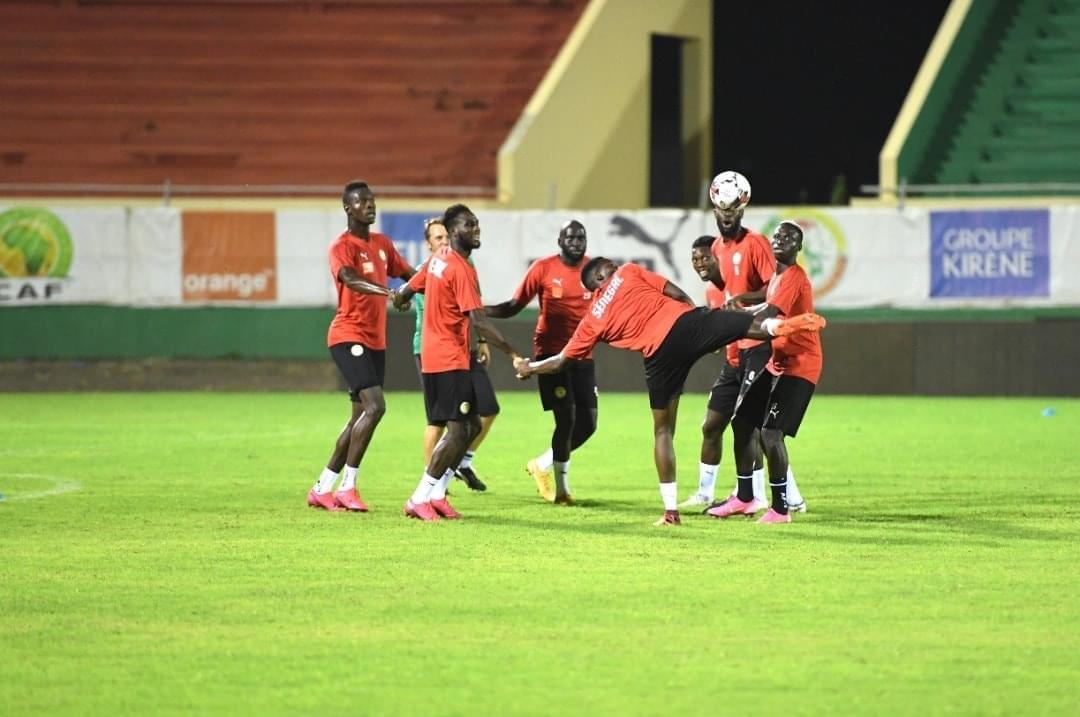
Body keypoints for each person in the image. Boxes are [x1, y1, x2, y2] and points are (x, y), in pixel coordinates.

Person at [514, 257, 825, 526]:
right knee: (742, 323)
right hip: (684, 324)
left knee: (663, 431)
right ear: (599, 276)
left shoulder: (591, 319)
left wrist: (530, 367)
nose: (615, 267)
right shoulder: (629, 271)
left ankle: (670, 511)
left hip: (659, 357)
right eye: (609, 266)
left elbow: (562, 361)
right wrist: (702, 332)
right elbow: (675, 292)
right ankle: (774, 327)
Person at [392, 204, 527, 521]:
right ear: (454, 231)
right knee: (455, 430)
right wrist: (512, 354)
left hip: (442, 356)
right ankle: (419, 497)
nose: (477, 228)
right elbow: (478, 321)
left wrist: (400, 297)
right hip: (447, 358)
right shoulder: (460, 268)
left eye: (477, 223)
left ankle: (437, 495)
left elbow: (407, 290)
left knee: (471, 425)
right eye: (470, 224)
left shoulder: (437, 261)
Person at [681, 171, 805, 513]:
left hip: (758, 346)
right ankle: (731, 495)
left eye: (731, 210)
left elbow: (773, 288)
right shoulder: (718, 249)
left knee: (755, 426)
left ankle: (776, 497)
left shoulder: (756, 244)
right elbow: (725, 297)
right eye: (721, 211)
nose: (726, 216)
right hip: (735, 353)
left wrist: (743, 300)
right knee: (717, 423)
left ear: (742, 208)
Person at [308, 180, 413, 512]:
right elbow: (350, 278)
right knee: (375, 407)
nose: (370, 206)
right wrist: (390, 293)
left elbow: (408, 274)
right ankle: (348, 488)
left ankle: (323, 488)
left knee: (358, 419)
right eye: (362, 202)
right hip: (347, 335)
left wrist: (426, 283)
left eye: (372, 201)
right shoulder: (342, 246)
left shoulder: (382, 243)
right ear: (347, 208)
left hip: (375, 340)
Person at [708, 222, 822, 523]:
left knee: (771, 433)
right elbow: (768, 302)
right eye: (778, 235)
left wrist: (732, 318)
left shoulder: (794, 277)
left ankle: (782, 508)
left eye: (790, 238)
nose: (782, 240)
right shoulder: (777, 277)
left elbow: (770, 315)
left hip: (800, 364)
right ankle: (745, 498)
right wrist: (745, 300)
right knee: (743, 422)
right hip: (778, 361)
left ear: (799, 247)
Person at [485, 220, 597, 505]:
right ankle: (562, 491)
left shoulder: (592, 271)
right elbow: (514, 306)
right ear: (559, 241)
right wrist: (480, 311)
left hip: (582, 354)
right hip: (550, 354)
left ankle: (542, 463)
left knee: (589, 424)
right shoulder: (543, 269)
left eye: (580, 236)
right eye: (569, 237)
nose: (575, 241)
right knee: (566, 419)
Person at [412, 218, 497, 492]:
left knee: (483, 413)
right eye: (437, 238)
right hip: (434, 350)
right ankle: (432, 483)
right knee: (438, 423)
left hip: (462, 349)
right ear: (428, 244)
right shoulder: (431, 268)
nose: (443, 242)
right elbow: (446, 308)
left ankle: (458, 466)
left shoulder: (463, 265)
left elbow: (475, 305)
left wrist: (481, 340)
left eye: (445, 236)